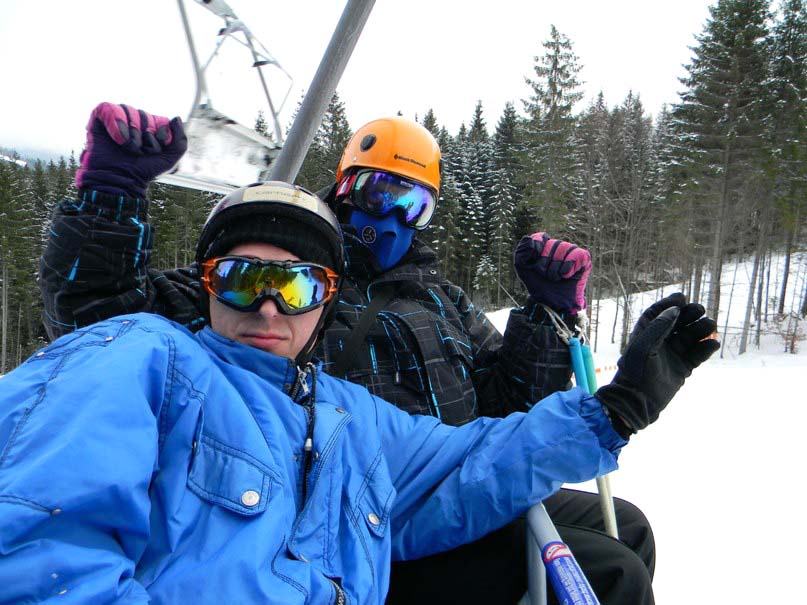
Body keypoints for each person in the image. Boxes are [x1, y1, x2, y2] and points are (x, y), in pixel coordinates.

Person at [38, 104, 715, 603]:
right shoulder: (285, 274)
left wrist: (544, 318)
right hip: (349, 509)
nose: (387, 219)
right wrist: (108, 202)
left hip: (448, 474)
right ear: (342, 188)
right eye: (374, 193)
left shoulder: (440, 298)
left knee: (628, 528)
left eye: (409, 205)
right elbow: (102, 318)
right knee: (605, 569)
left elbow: (511, 405)